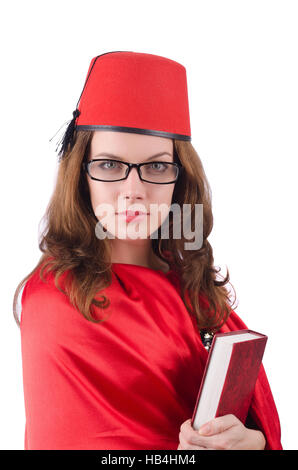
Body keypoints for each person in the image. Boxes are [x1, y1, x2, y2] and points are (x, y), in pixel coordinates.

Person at [13, 51, 282, 450]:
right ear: (81, 174)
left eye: (156, 167)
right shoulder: (57, 299)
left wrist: (252, 444)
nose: (133, 191)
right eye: (109, 165)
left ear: (179, 178)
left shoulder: (193, 283)